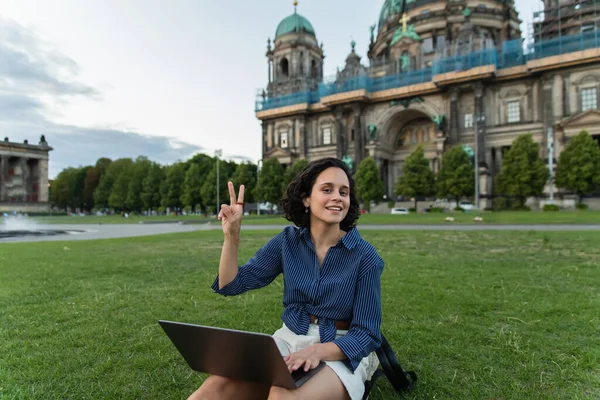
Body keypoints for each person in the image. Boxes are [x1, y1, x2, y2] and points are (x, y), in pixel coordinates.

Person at [188, 157, 384, 400]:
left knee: (281, 395)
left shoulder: (365, 256)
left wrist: (317, 351)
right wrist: (232, 235)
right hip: (288, 338)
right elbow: (231, 284)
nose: (338, 197)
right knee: (212, 389)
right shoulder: (287, 241)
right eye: (327, 190)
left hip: (339, 349)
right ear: (306, 199)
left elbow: (367, 333)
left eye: (344, 192)